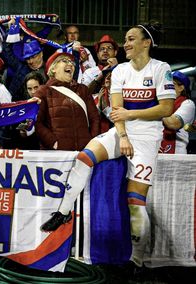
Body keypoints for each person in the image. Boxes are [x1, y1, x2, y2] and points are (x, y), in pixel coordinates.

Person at [40, 21, 176, 271]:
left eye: (132, 39)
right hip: (122, 131)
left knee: (135, 202)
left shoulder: (161, 68)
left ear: (147, 43)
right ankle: (63, 211)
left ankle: (137, 259)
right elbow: (116, 110)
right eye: (125, 38)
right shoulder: (121, 70)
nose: (126, 43)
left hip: (147, 138)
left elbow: (166, 108)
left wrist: (131, 115)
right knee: (84, 157)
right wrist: (122, 135)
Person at [34, 51, 100, 151]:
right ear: (53, 68)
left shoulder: (83, 90)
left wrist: (91, 143)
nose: (70, 64)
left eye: (72, 62)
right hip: (56, 155)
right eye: (64, 60)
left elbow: (94, 119)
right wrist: (53, 143)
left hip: (84, 153)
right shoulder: (44, 91)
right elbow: (37, 122)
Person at [159, 71, 195, 154]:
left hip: (176, 154)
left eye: (172, 84)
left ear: (181, 88)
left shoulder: (188, 104)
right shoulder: (162, 102)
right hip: (155, 150)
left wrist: (156, 109)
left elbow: (173, 123)